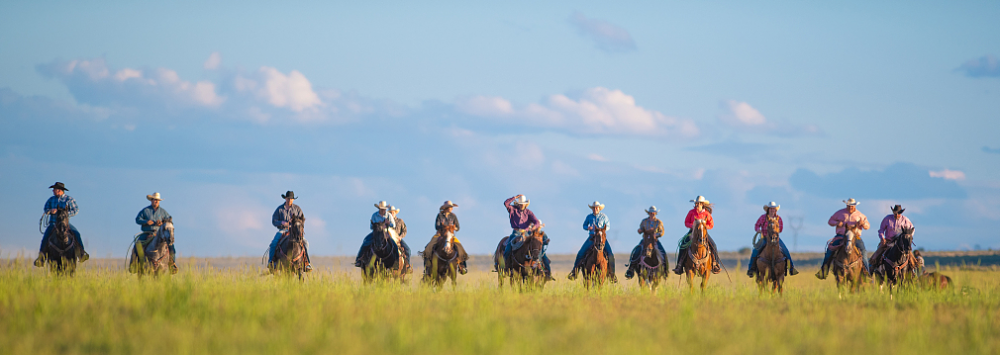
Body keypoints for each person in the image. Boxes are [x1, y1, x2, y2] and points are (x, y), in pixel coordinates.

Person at [34, 182, 88, 266]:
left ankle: (81, 254)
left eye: (54, 189)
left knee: (76, 233)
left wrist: (65, 214)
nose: (53, 191)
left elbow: (76, 210)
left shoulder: (69, 200)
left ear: (59, 190)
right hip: (53, 223)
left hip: (65, 223)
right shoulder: (51, 199)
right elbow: (46, 208)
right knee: (46, 237)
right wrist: (50, 211)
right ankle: (41, 258)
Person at [816, 198, 871, 279]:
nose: (850, 207)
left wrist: (862, 223)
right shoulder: (840, 213)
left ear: (855, 206)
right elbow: (830, 221)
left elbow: (867, 226)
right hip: (841, 236)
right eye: (849, 206)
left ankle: (866, 273)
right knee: (830, 250)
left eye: (852, 206)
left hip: (855, 237)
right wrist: (837, 223)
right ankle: (824, 271)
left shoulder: (860, 215)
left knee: (863, 252)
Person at [502, 194, 553, 280]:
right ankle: (506, 267)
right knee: (508, 248)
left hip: (526, 233)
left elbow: (536, 222)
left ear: (526, 204)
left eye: (523, 203)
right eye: (520, 203)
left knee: (535, 248)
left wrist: (533, 227)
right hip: (516, 233)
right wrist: (515, 197)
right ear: (518, 204)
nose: (522, 205)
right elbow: (506, 203)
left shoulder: (529, 212)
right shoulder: (512, 209)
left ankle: (538, 266)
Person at [746, 201, 798, 277]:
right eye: (770, 209)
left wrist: (774, 230)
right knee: (755, 251)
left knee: (785, 251)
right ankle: (751, 269)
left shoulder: (778, 218)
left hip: (776, 238)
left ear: (775, 210)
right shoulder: (763, 217)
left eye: (773, 209)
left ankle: (791, 268)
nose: (772, 210)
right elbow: (756, 225)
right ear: (768, 209)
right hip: (764, 238)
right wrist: (758, 230)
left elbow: (781, 229)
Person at [568, 201, 617, 282]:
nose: (595, 209)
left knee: (610, 254)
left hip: (601, 238)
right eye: (594, 208)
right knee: (580, 253)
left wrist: (601, 230)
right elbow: (584, 225)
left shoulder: (604, 217)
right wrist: (588, 228)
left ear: (599, 208)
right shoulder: (589, 217)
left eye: (597, 207)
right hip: (591, 238)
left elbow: (607, 226)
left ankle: (612, 275)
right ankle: (574, 272)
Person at [673, 196, 722, 275]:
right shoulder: (691, 212)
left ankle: (715, 264)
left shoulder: (706, 214)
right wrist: (692, 225)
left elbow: (711, 224)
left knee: (713, 245)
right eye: (696, 203)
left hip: (703, 232)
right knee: (683, 244)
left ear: (702, 204)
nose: (697, 205)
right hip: (692, 232)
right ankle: (679, 265)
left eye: (699, 203)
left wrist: (704, 227)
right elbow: (686, 222)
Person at [268, 191, 311, 272]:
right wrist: (282, 222)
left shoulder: (297, 209)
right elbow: (274, 220)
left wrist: (295, 223)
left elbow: (302, 220)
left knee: (306, 243)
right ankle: (271, 262)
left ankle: (307, 263)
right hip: (283, 230)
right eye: (288, 199)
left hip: (295, 231)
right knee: (274, 243)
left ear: (293, 200)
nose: (290, 200)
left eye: (291, 199)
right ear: (285, 198)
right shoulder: (280, 209)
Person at [135, 192, 177, 273]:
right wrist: (146, 221)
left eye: (157, 200)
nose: (156, 201)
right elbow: (137, 219)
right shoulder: (145, 210)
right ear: (151, 200)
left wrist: (162, 223)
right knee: (138, 244)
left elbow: (169, 222)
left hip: (160, 234)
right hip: (147, 233)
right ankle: (134, 264)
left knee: (171, 247)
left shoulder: (163, 212)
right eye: (154, 200)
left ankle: (172, 265)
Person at [422, 201, 469, 275]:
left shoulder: (453, 216)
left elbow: (458, 227)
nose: (451, 209)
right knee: (428, 246)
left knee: (460, 247)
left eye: (451, 207)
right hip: (440, 234)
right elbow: (436, 226)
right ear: (446, 208)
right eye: (450, 207)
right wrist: (445, 227)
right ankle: (427, 266)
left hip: (450, 235)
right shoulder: (440, 215)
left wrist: (454, 228)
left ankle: (462, 266)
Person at [625, 206, 667, 279]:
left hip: (654, 241)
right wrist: (640, 230)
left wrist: (656, 235)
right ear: (649, 213)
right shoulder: (644, 221)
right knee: (636, 251)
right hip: (645, 239)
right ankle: (630, 270)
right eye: (650, 213)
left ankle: (665, 271)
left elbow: (662, 232)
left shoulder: (659, 222)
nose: (652, 214)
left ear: (655, 213)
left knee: (663, 253)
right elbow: (640, 229)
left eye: (653, 213)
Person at [868, 205, 915, 269]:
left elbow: (912, 229)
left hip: (901, 242)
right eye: (895, 213)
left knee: (909, 254)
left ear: (900, 213)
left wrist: (908, 238)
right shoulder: (887, 219)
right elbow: (881, 229)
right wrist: (882, 238)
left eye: (898, 213)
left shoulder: (905, 220)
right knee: (879, 252)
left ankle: (913, 269)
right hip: (888, 241)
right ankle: (872, 267)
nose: (897, 215)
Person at [354, 201, 397, 267]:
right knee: (366, 241)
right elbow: (371, 227)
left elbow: (393, 225)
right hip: (376, 233)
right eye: (382, 209)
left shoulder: (389, 215)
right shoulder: (374, 215)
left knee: (394, 244)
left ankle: (396, 261)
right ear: (379, 209)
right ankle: (359, 259)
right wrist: (377, 225)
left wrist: (388, 224)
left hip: (385, 233)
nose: (383, 210)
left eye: (384, 209)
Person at [390, 205, 413, 274]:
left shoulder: (400, 221)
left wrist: (400, 237)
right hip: (390, 240)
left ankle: (407, 266)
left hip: (398, 239)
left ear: (395, 213)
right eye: (390, 212)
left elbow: (404, 230)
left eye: (393, 212)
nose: (392, 213)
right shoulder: (387, 222)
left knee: (408, 250)